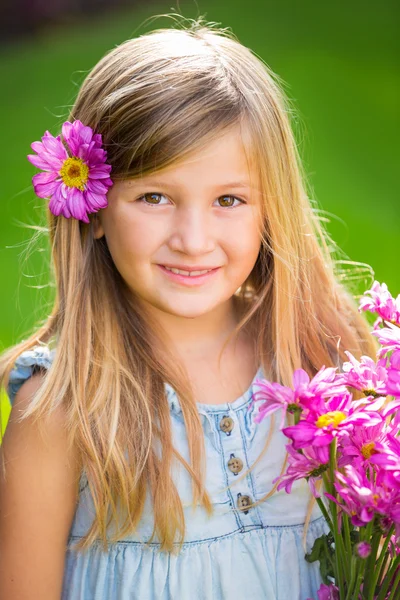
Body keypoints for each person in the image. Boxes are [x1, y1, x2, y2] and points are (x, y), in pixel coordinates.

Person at [0, 15, 377, 600]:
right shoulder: (64, 407)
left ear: (270, 208)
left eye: (229, 199)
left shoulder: (323, 365)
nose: (193, 239)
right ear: (93, 207)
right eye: (155, 197)